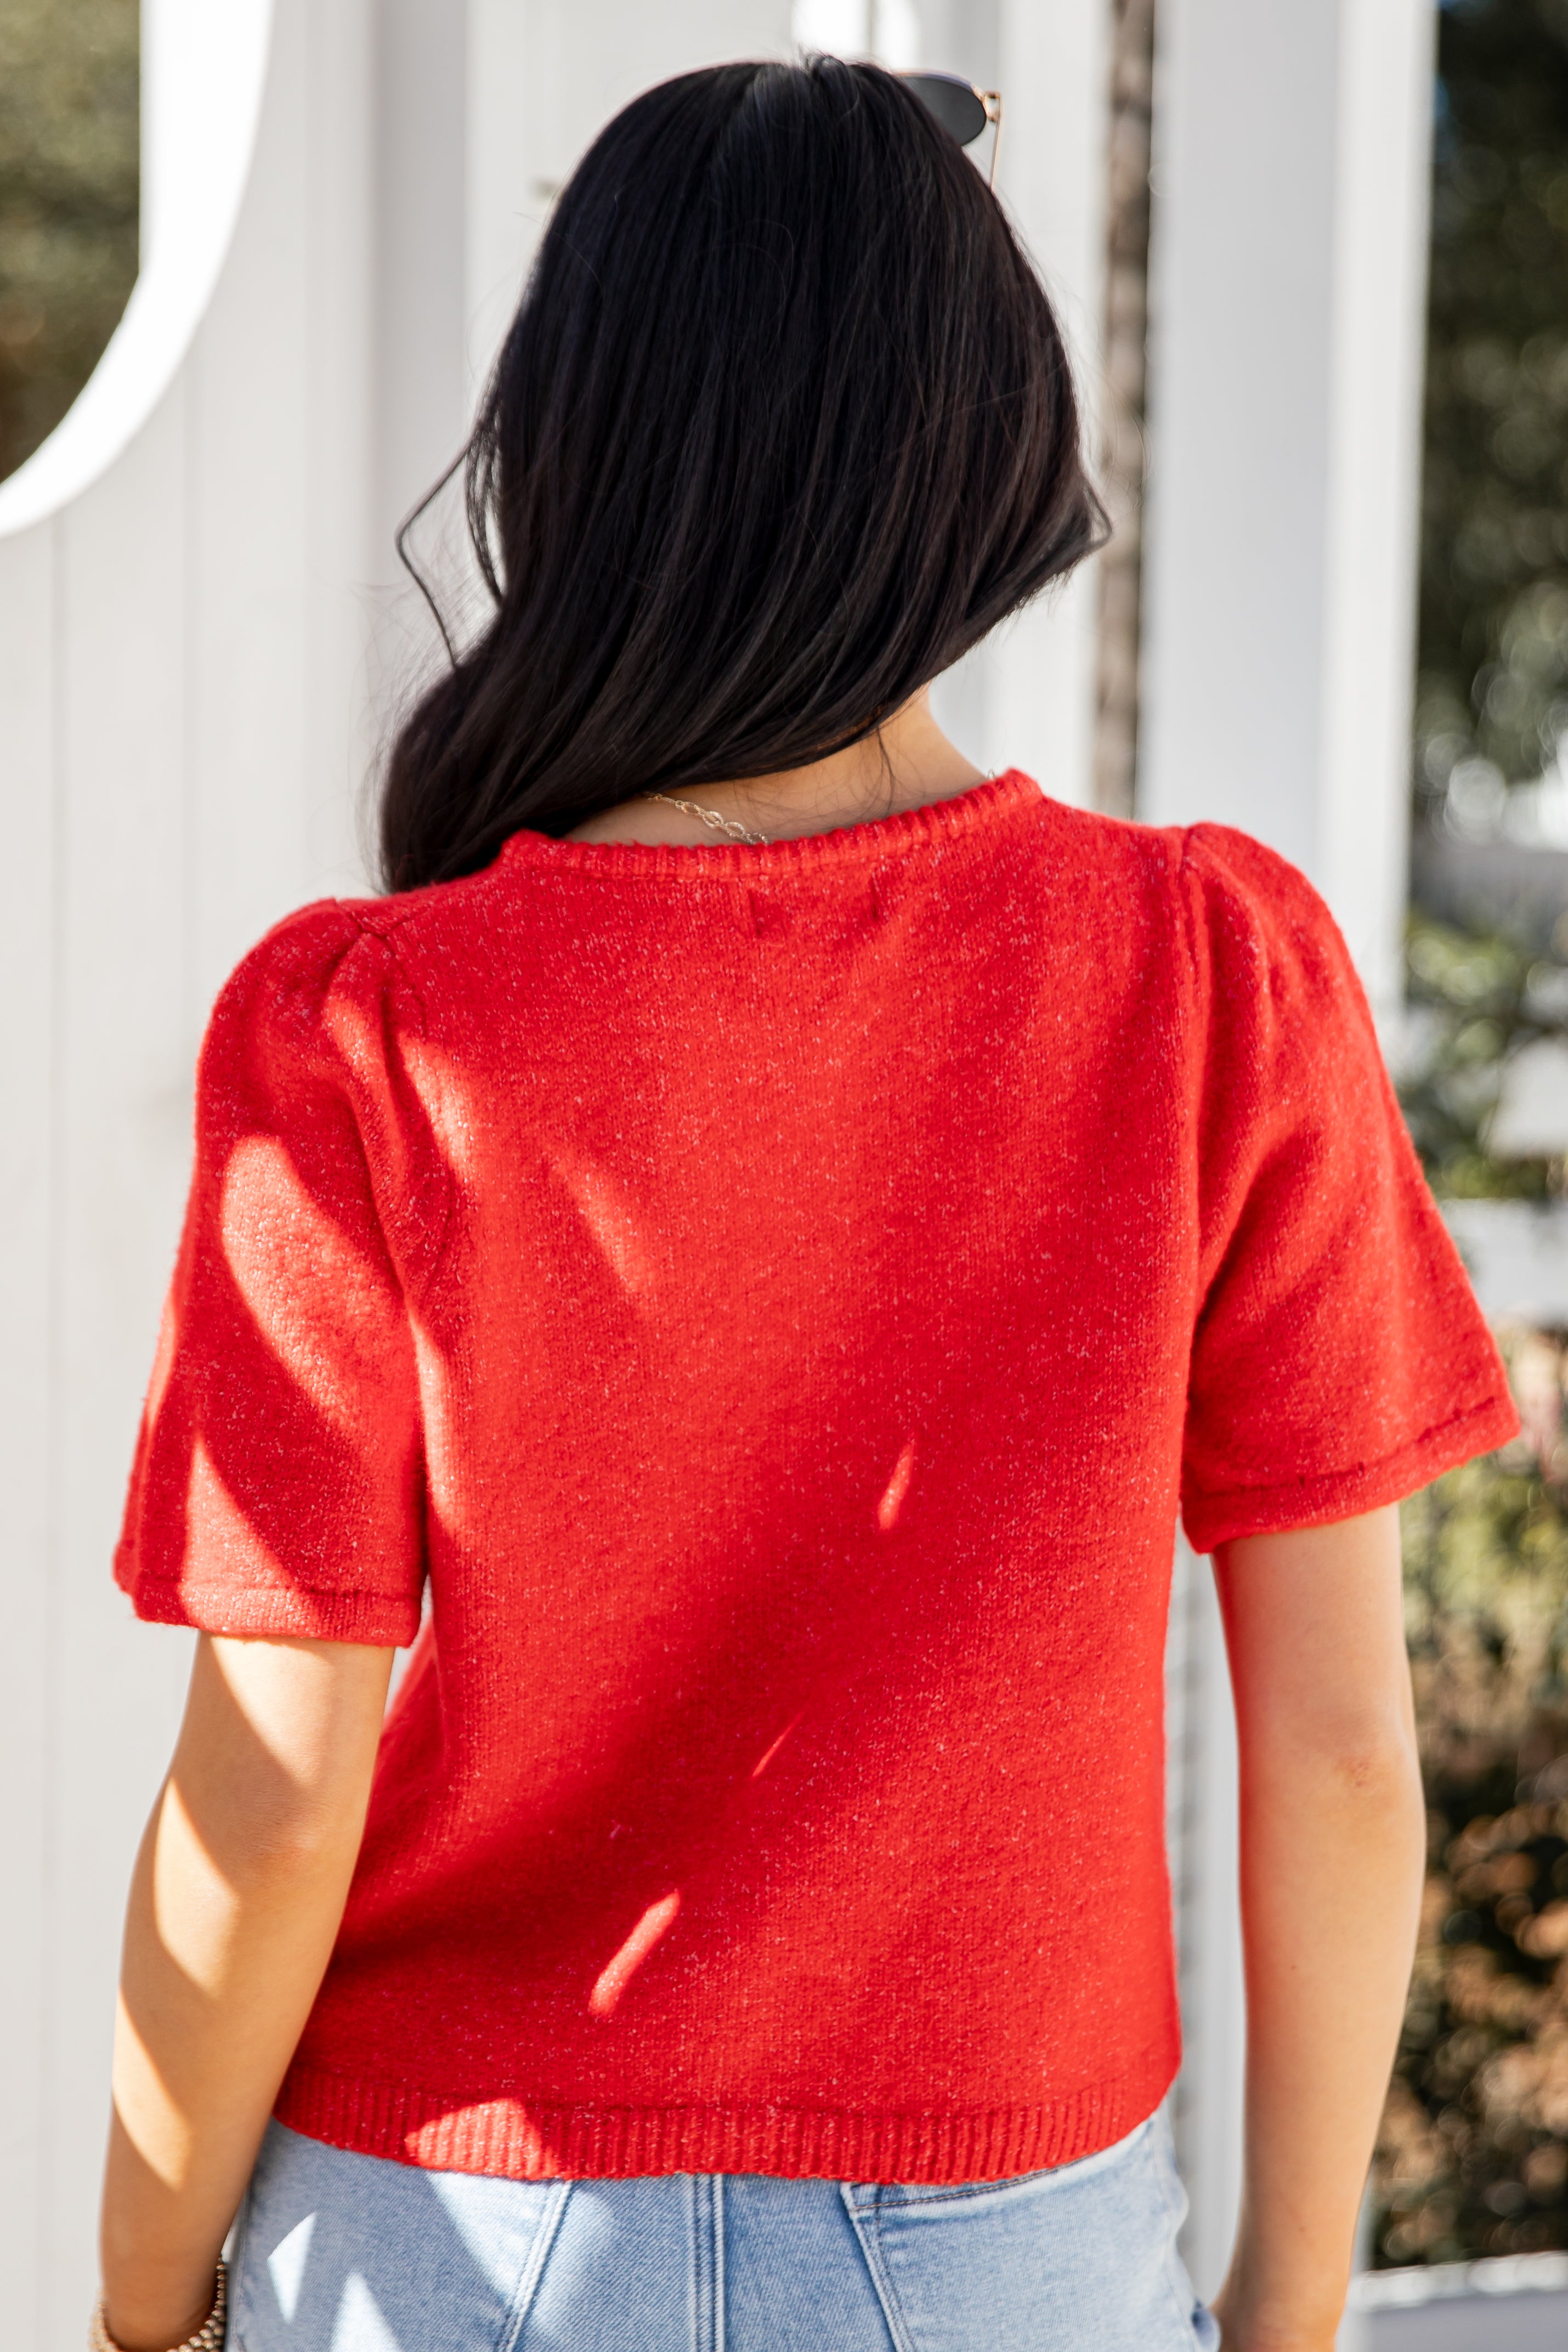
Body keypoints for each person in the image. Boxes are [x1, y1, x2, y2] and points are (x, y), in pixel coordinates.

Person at [95, 55, 1515, 2352]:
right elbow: (1344, 1753)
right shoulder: (1205, 967)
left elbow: (266, 1800)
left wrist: (139, 2303)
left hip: (453, 2238)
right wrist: (1286, 2306)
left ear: (573, 450)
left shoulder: (364, 1020)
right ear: (986, 453)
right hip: (1007, 2252)